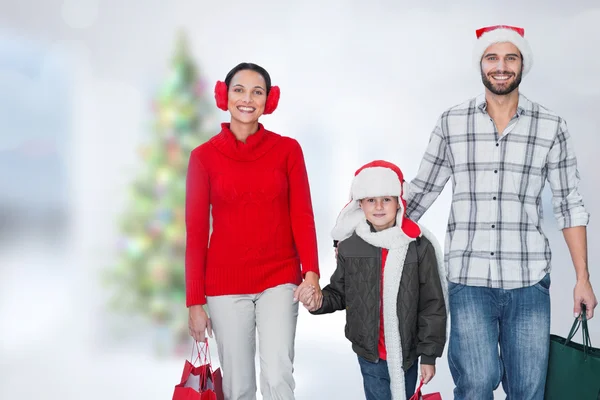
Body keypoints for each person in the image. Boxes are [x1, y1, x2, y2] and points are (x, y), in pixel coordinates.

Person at [406, 25, 598, 400]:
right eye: (492, 57)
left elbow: (570, 204)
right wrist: (367, 227)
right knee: (476, 384)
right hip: (469, 279)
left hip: (527, 281)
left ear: (522, 64)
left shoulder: (551, 126)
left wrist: (583, 278)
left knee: (527, 390)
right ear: (481, 63)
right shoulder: (452, 122)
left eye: (510, 57)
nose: (501, 66)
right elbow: (422, 191)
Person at [185, 62, 322, 400]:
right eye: (239, 90)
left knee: (278, 376)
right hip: (225, 285)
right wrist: (194, 302)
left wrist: (312, 273)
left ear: (268, 100)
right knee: (238, 386)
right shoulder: (202, 158)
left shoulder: (288, 150)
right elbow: (196, 233)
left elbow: (302, 215)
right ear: (224, 95)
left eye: (257, 92)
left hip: (279, 277)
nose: (247, 99)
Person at [301, 160, 448, 400]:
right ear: (360, 204)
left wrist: (429, 355)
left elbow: (432, 304)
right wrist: (318, 302)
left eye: (386, 199)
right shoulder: (351, 246)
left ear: (398, 202)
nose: (379, 206)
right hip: (370, 353)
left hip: (407, 353)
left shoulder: (418, 247)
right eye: (371, 200)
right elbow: (339, 293)